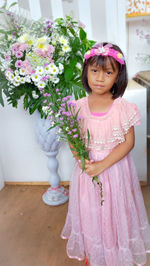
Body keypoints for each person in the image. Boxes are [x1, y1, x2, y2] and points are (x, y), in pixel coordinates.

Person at [61, 42, 150, 266]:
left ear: (118, 76)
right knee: (90, 212)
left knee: (113, 212)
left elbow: (129, 143)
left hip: (115, 171)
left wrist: (102, 165)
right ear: (86, 72)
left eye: (108, 72)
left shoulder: (123, 108)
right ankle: (95, 252)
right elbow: (73, 139)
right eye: (94, 71)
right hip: (87, 173)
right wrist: (81, 160)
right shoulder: (76, 107)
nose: (100, 78)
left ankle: (114, 253)